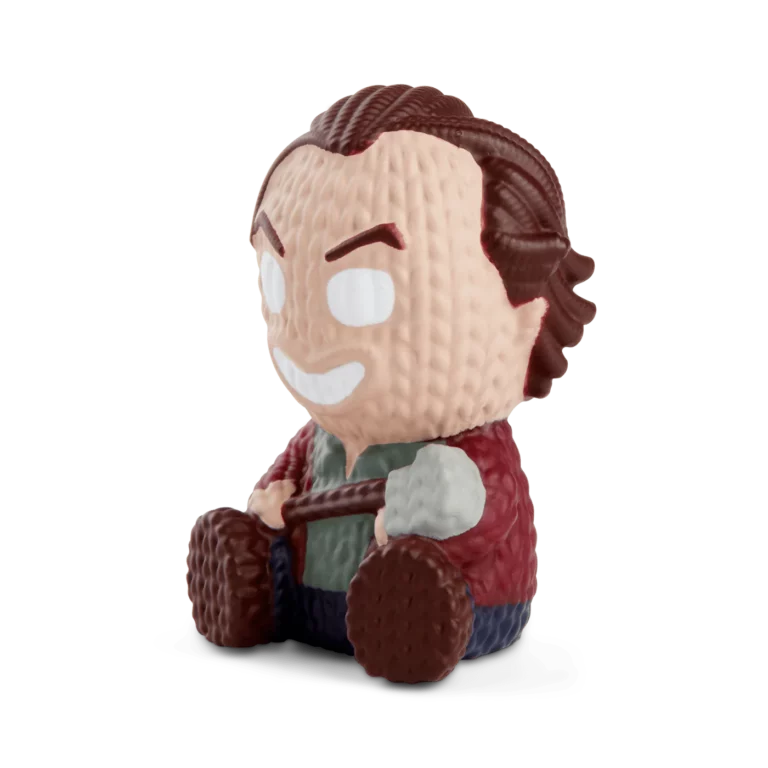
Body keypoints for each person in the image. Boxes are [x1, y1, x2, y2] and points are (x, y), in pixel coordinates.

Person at [186, 83, 597, 683]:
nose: (307, 334)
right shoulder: (320, 439)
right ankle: (250, 587)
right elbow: (288, 477)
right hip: (307, 591)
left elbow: (487, 513)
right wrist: (271, 501)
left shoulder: (469, 451)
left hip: (460, 597)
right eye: (277, 284)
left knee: (419, 570)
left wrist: (441, 513)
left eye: (362, 293)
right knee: (257, 533)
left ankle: (413, 617)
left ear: (525, 316)